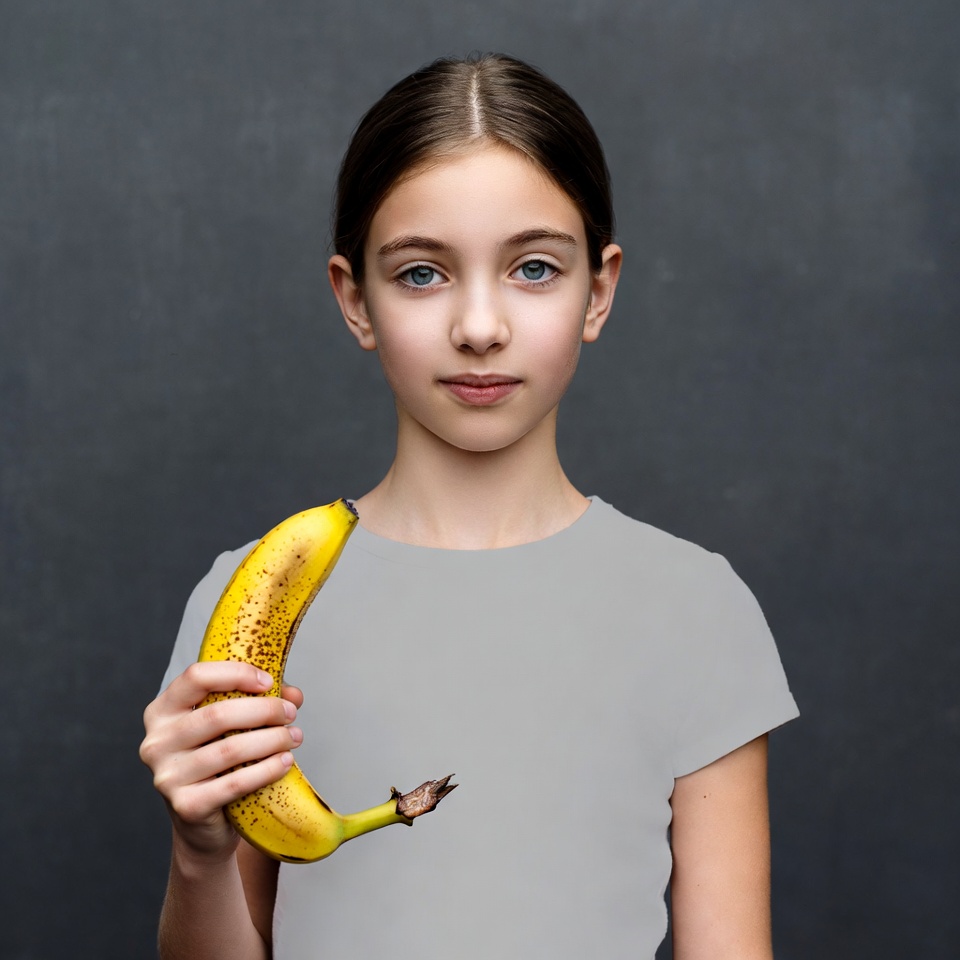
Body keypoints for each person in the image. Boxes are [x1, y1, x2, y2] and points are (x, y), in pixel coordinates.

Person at [140, 53, 799, 960]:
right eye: (421, 274)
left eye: (534, 268)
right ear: (355, 300)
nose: (480, 327)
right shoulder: (255, 600)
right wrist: (198, 852)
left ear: (599, 291)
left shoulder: (696, 607)